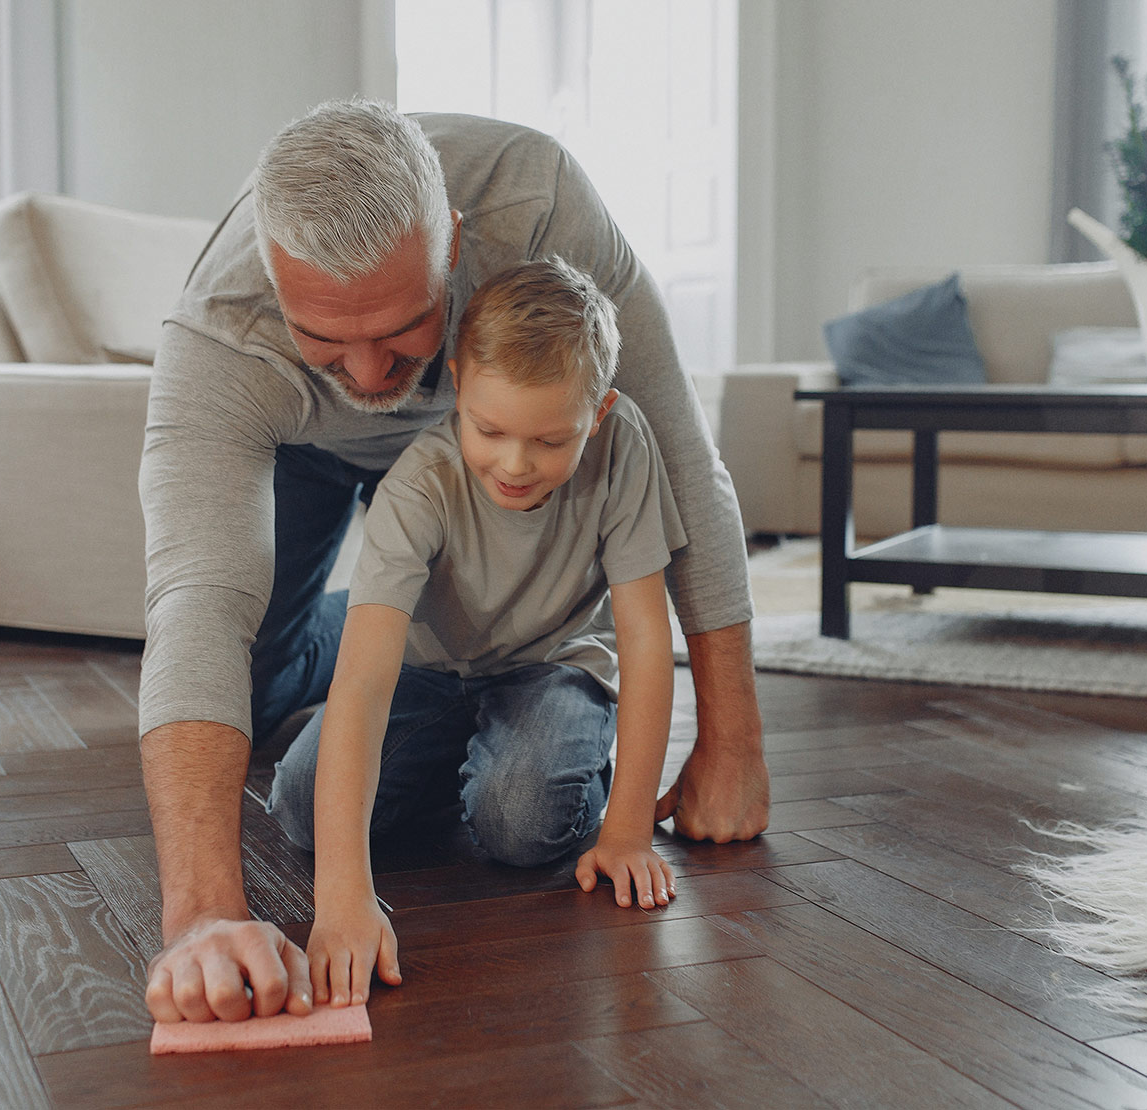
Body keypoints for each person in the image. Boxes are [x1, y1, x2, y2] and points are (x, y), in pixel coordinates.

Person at [139, 97, 768, 1027]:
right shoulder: (218, 337)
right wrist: (202, 918)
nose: (364, 373)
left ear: (458, 248)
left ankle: (424, 633)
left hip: (478, 434)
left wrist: (734, 743)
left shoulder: (539, 205)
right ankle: (346, 623)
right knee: (252, 677)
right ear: (275, 288)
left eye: (399, 327)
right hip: (306, 448)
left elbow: (681, 460)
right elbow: (195, 598)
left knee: (516, 797)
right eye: (324, 336)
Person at [266, 258, 681, 1007]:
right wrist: (343, 898)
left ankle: (555, 765)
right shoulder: (420, 485)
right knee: (299, 805)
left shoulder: (625, 448)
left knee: (520, 824)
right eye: (489, 430)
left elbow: (648, 640)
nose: (516, 464)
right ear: (458, 384)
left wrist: (626, 831)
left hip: (552, 667)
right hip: (428, 673)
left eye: (552, 442)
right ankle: (460, 760)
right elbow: (361, 683)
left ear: (600, 412)